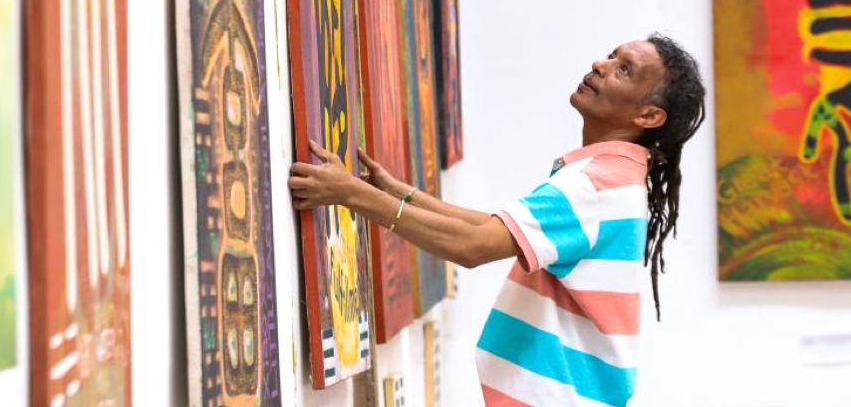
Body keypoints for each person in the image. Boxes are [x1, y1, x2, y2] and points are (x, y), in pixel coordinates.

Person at [289, 33, 707, 407]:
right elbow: (492, 227)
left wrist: (350, 194)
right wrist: (398, 193)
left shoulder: (596, 184)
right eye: (611, 55)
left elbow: (473, 247)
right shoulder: (614, 177)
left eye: (624, 69)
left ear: (648, 117)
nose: (600, 65)